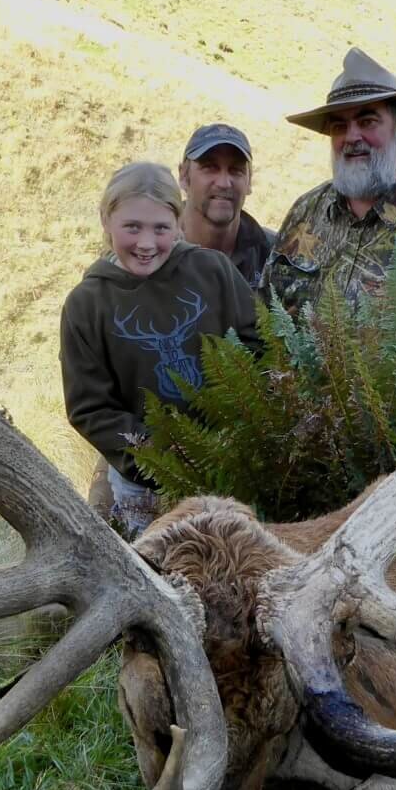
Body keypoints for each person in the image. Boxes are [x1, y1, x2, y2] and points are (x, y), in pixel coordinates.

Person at [61, 161, 261, 536]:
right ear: (106, 220)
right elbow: (90, 408)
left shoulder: (213, 271)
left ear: (180, 221)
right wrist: (158, 455)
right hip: (144, 488)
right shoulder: (86, 304)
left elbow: (258, 345)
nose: (147, 243)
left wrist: (239, 430)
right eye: (132, 227)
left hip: (231, 468)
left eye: (161, 228)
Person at [265, 47, 396, 320]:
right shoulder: (305, 212)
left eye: (367, 121)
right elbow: (265, 321)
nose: (352, 137)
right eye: (339, 126)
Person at [178, 122, 277, 290]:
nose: (224, 183)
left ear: (249, 181)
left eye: (235, 169)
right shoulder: (150, 251)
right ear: (184, 177)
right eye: (210, 167)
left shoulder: (273, 255)